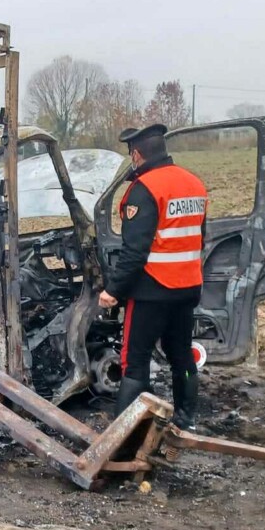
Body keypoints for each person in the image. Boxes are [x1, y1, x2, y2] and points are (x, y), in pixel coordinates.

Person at [98, 124, 208, 430]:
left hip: (152, 292)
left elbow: (135, 252)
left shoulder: (144, 189)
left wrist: (113, 291)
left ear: (136, 154)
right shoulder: (194, 184)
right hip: (187, 289)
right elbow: (199, 237)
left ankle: (123, 435)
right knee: (182, 358)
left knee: (134, 363)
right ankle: (186, 419)